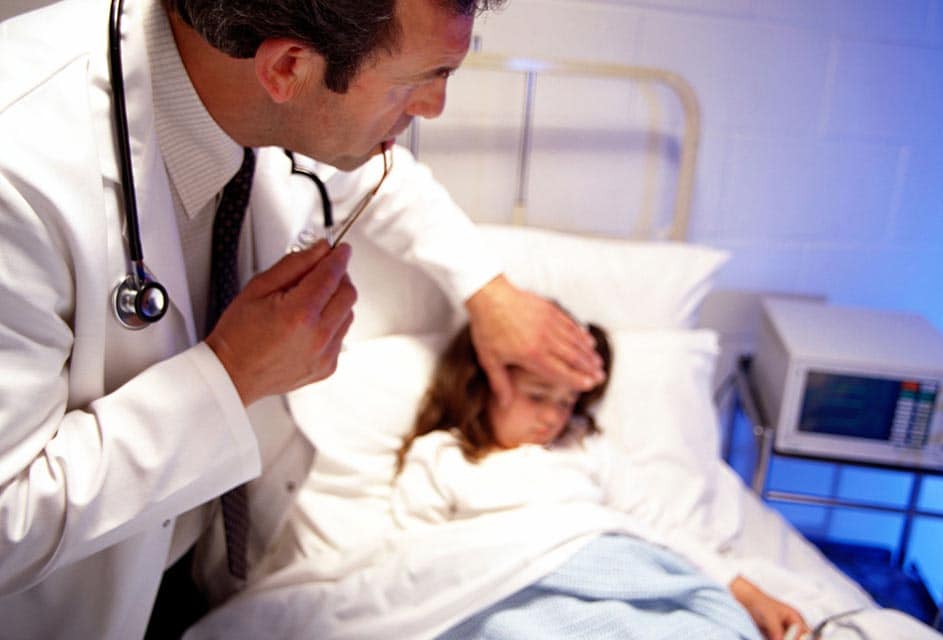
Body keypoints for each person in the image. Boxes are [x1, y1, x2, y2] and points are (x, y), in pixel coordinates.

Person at [0, 0, 605, 637]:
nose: (433, 107)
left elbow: (385, 180)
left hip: (206, 569)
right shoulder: (22, 165)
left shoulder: (250, 77)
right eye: (421, 79)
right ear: (288, 68)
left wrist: (490, 294)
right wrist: (232, 376)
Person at [393, 322, 812, 640]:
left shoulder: (583, 446)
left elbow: (658, 527)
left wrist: (750, 595)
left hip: (613, 572)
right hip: (508, 596)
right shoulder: (441, 457)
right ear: (482, 382)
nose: (553, 417)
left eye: (566, 402)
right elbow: (417, 564)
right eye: (537, 395)